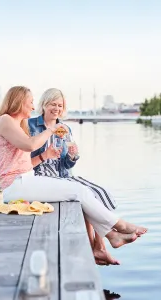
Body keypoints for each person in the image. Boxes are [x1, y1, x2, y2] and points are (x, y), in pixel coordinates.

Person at [0, 86, 147, 251]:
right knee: (79, 191)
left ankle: (112, 236)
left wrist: (61, 154)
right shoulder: (5, 120)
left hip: (21, 182)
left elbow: (22, 163)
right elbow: (30, 145)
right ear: (19, 102)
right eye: (31, 102)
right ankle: (121, 226)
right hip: (17, 183)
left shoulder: (17, 125)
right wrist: (51, 130)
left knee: (80, 191)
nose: (33, 107)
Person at [28, 88, 119, 265]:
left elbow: (66, 164)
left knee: (97, 192)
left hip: (61, 175)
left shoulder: (64, 129)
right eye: (53, 104)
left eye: (60, 105)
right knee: (83, 194)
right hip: (39, 174)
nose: (56, 108)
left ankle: (99, 246)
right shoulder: (31, 125)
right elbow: (22, 158)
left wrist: (72, 155)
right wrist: (46, 154)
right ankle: (99, 247)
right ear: (44, 105)